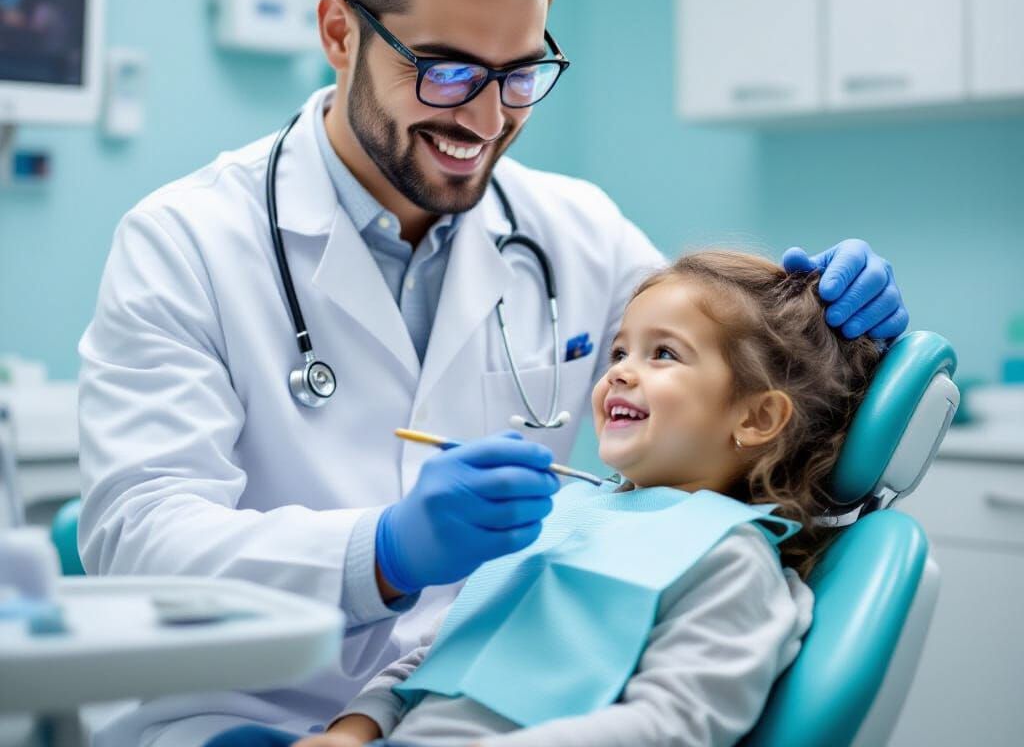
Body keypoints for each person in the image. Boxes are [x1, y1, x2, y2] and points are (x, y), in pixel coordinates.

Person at [78, 0, 908, 746]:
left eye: (520, 73)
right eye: (446, 69)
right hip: (242, 706)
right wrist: (383, 551)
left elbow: (744, 419)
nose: (485, 116)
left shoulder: (576, 230)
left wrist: (843, 342)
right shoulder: (188, 237)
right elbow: (137, 538)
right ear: (338, 33)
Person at [204, 249, 885, 747]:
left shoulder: (728, 561)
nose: (619, 371)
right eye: (619, 350)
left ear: (758, 419)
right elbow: (442, 650)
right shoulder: (567, 513)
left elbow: (673, 728)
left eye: (663, 355)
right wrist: (351, 731)